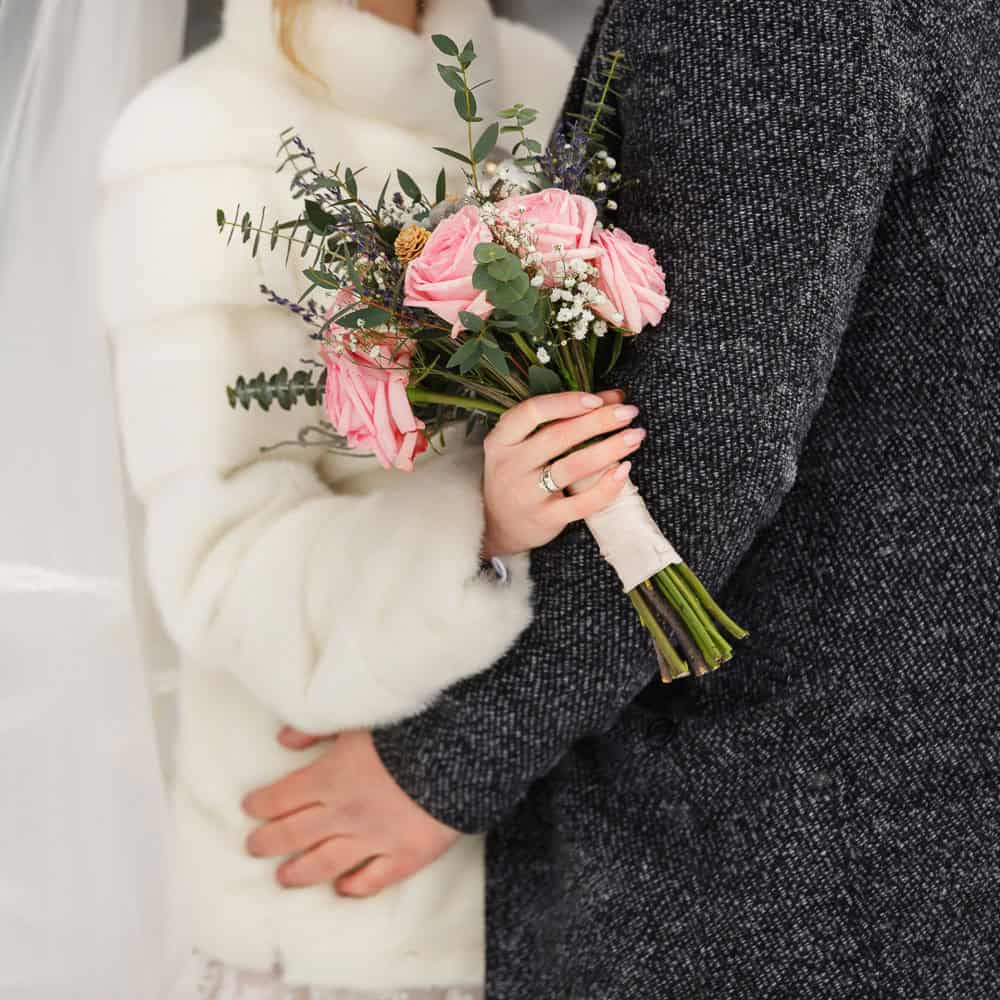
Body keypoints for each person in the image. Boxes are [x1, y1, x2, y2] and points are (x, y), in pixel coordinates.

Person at [245, 0, 1000, 996]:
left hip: (760, 829)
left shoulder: (768, 20)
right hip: (913, 798)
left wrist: (446, 759)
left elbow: (694, 449)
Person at [97, 1, 589, 997]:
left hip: (593, 870)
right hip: (354, 905)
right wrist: (475, 524)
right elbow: (222, 562)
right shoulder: (196, 140)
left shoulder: (557, 85)